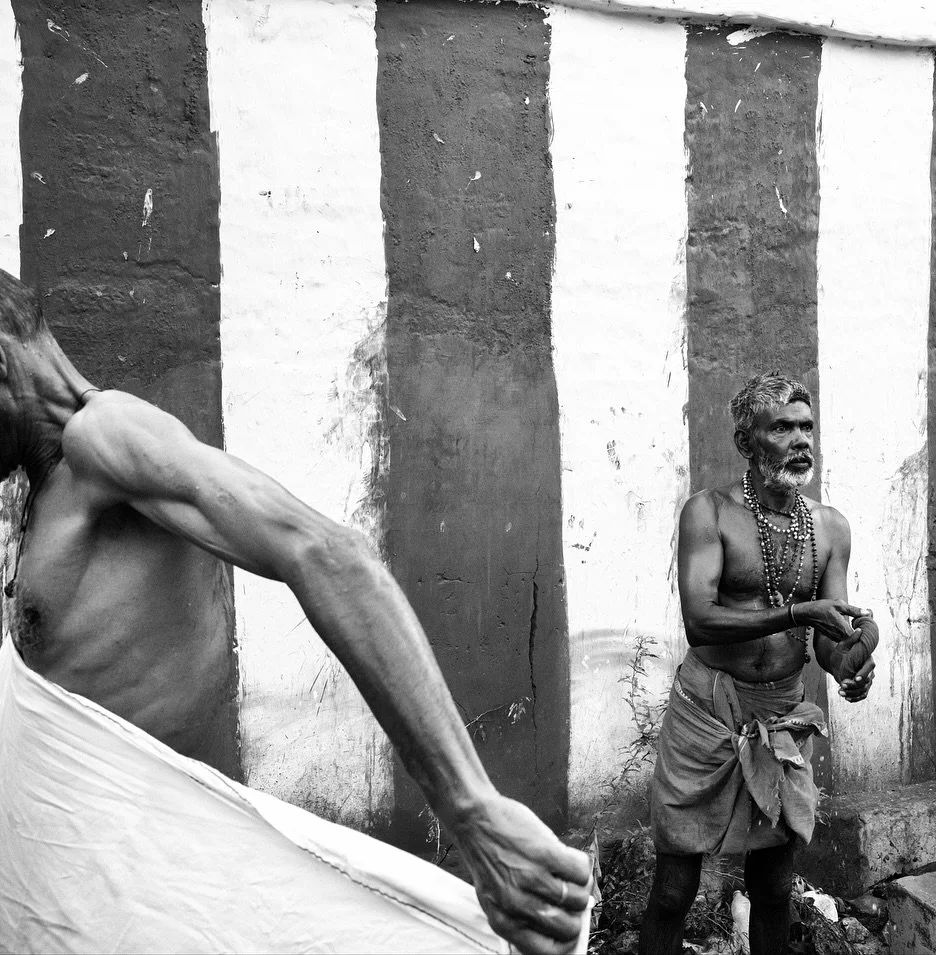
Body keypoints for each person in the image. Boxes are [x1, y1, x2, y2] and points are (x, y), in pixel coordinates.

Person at [0, 270, 588, 954]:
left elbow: (325, 553)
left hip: (155, 872)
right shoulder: (43, 489)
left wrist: (471, 808)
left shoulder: (102, 437)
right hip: (90, 892)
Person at [639, 372, 879, 955]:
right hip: (708, 717)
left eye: (806, 427)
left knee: (773, 888)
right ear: (749, 443)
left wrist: (852, 657)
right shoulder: (709, 513)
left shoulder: (830, 527)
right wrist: (803, 612)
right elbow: (700, 622)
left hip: (780, 718)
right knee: (675, 890)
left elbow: (826, 637)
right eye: (782, 428)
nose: (801, 441)